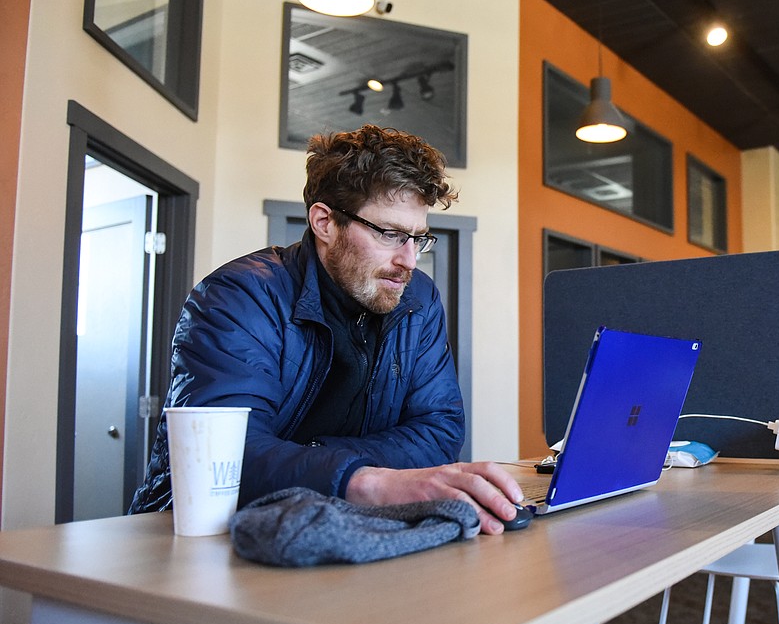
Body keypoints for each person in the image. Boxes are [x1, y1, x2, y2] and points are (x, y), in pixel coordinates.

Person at [129, 124, 525, 536]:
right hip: (203, 535)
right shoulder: (237, 297)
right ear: (324, 222)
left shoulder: (418, 298)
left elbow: (439, 427)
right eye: (390, 234)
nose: (409, 260)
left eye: (418, 239)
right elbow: (224, 455)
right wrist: (365, 480)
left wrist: (323, 459)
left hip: (345, 525)